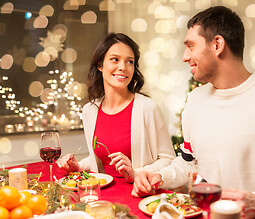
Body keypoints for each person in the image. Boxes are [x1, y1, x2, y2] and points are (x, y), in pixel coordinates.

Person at [132, 6, 255, 219]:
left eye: (191, 46)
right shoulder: (195, 100)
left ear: (217, 45)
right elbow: (188, 162)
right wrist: (159, 177)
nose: (185, 57)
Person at [57, 33, 175, 183]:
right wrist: (78, 166)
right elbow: (102, 161)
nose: (123, 67)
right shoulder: (90, 110)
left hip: (137, 195)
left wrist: (135, 173)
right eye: (115, 59)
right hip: (102, 196)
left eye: (129, 62)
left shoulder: (147, 108)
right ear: (100, 65)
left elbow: (168, 159)